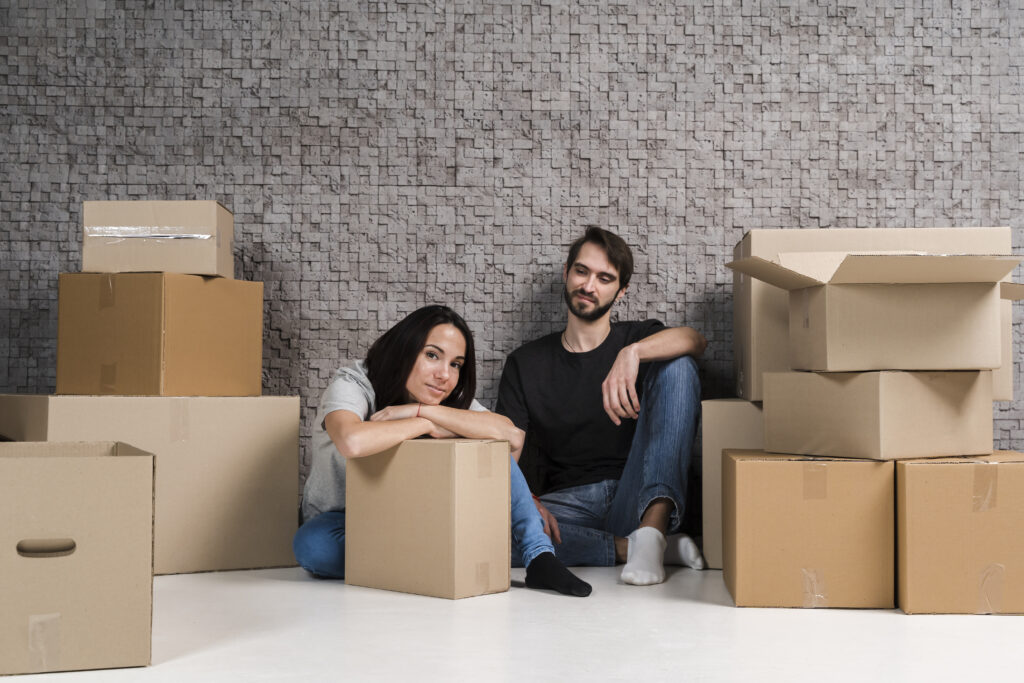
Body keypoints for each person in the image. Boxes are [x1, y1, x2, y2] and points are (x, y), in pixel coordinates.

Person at [293, 304, 591, 597]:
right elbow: (352, 441)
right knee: (312, 547)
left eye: (455, 364)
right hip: (343, 523)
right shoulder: (355, 382)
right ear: (404, 349)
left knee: (491, 445)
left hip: (415, 517)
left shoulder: (439, 401)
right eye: (432, 355)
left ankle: (539, 557)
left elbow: (511, 436)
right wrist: (422, 424)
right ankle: (437, 557)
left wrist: (423, 411)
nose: (444, 375)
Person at [496, 226, 707, 586]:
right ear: (566, 273)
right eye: (582, 271)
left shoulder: (636, 338)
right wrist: (525, 500)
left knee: (679, 363)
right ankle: (635, 548)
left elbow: (695, 340)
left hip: (637, 493)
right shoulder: (525, 362)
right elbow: (506, 450)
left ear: (621, 290)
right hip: (568, 506)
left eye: (605, 278)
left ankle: (653, 530)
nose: (589, 286)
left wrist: (633, 353)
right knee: (488, 535)